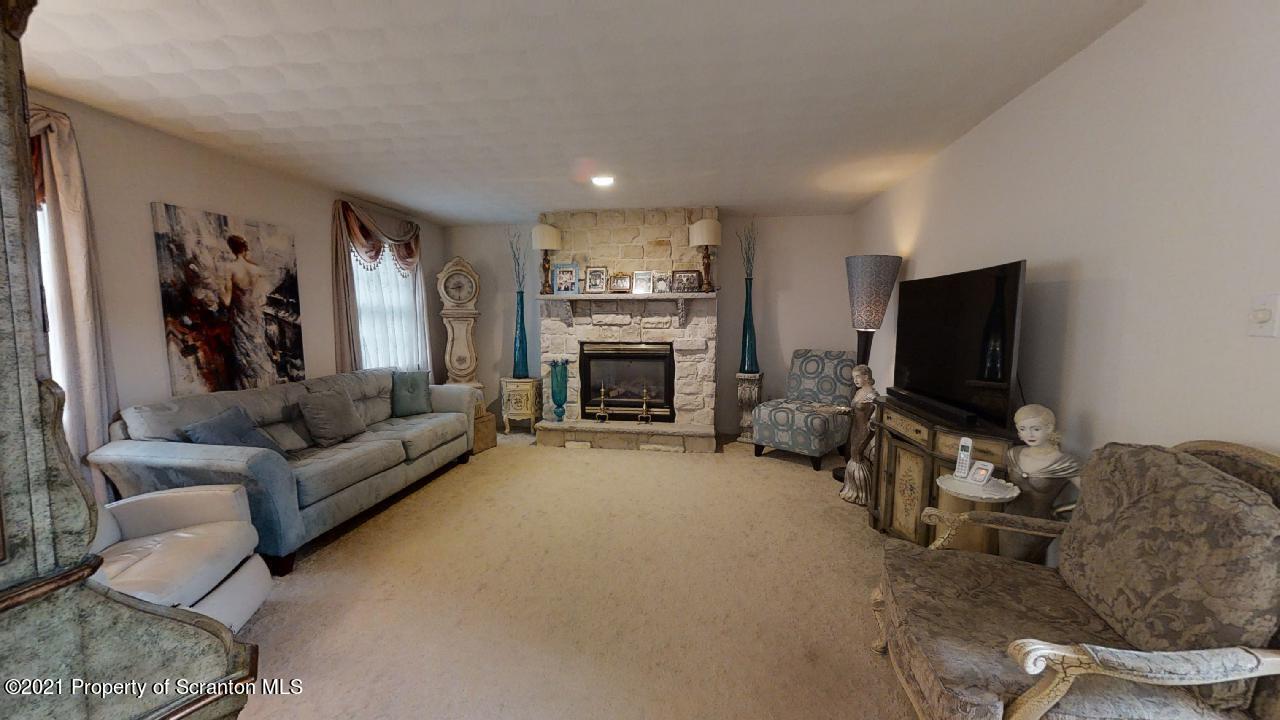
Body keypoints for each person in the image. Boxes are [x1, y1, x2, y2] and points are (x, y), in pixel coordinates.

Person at [999, 404, 1082, 562]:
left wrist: (1059, 512)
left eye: (1036, 429)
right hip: (1008, 520)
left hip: (1040, 524)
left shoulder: (1065, 462)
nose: (1029, 434)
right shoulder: (1013, 454)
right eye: (1023, 429)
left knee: (1027, 565)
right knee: (1006, 565)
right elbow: (1006, 486)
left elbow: (1091, 496)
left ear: (1049, 428)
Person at [219, 234, 273, 389]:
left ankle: (248, 388)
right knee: (257, 348)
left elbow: (226, 301)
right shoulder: (255, 268)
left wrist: (219, 289)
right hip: (255, 313)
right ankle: (262, 385)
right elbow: (261, 294)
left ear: (232, 249)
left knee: (244, 352)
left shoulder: (230, 268)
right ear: (244, 249)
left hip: (240, 315)